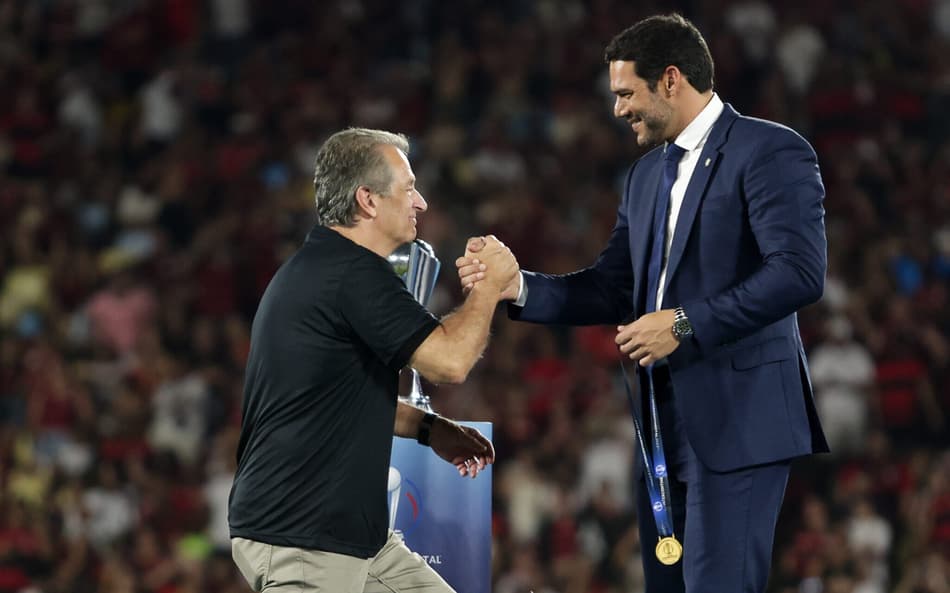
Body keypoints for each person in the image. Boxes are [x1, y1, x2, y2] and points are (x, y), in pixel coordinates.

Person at [458, 13, 829, 593]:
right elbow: (612, 286)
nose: (618, 109)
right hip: (660, 426)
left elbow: (799, 273)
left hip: (738, 420)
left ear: (671, 80)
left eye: (627, 93)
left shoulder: (770, 150)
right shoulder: (644, 177)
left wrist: (683, 323)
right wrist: (519, 286)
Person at [229, 128, 518, 592]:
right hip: (304, 539)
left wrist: (429, 428)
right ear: (367, 200)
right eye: (408, 188)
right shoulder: (352, 274)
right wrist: (489, 285)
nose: (420, 201)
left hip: (351, 538)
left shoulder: (322, 268)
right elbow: (450, 362)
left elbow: (334, 401)